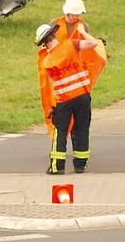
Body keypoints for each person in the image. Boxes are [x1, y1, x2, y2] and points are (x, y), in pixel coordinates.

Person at [35, 20, 99, 174]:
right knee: (82, 130)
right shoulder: (72, 44)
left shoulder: (47, 62)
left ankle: (57, 167)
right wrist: (82, 31)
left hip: (64, 101)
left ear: (43, 43)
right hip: (83, 96)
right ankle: (80, 165)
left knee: (61, 132)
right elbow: (93, 44)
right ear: (54, 34)